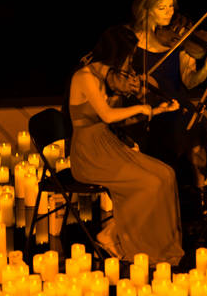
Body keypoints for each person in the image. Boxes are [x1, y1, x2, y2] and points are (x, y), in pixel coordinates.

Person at [69, 25, 184, 264]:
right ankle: (125, 239)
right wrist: (142, 106)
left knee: (166, 174)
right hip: (89, 154)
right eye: (129, 57)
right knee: (149, 184)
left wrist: (156, 111)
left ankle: (125, 235)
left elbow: (120, 121)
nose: (130, 64)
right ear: (116, 55)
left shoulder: (105, 78)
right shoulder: (84, 77)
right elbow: (108, 115)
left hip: (107, 144)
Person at [123, 0, 207, 191]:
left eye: (171, 6)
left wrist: (206, 68)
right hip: (145, 110)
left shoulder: (178, 40)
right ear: (145, 8)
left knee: (197, 123)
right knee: (170, 128)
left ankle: (199, 190)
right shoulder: (127, 40)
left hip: (175, 106)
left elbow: (190, 80)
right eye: (162, 8)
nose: (170, 13)